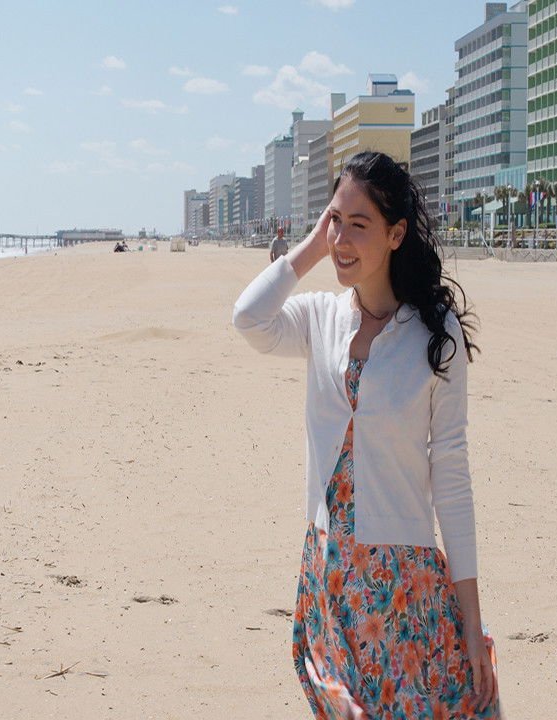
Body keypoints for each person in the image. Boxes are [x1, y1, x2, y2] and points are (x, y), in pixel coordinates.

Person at [233, 151, 500, 718]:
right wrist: (314, 244)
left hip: (402, 583)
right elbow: (248, 318)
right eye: (336, 220)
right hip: (330, 570)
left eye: (360, 225)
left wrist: (472, 621)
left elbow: (451, 476)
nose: (342, 239)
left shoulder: (433, 334)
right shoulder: (320, 318)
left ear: (396, 234)